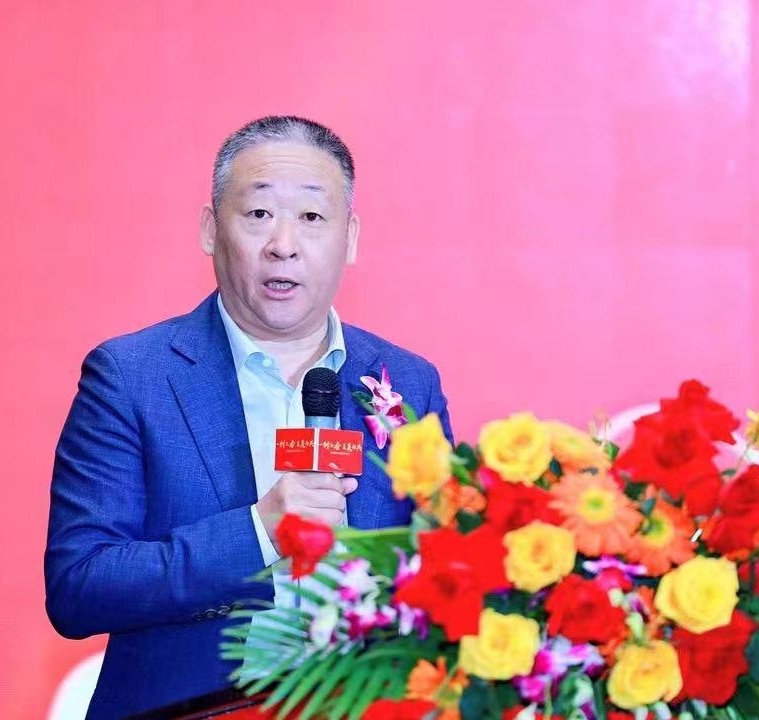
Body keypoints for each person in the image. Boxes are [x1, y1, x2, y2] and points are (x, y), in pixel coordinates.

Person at [44, 115, 453, 720]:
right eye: (259, 213)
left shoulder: (408, 384)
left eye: (311, 217)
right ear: (211, 229)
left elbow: (443, 576)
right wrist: (261, 530)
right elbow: (80, 585)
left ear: (350, 238)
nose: (283, 243)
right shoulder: (132, 377)